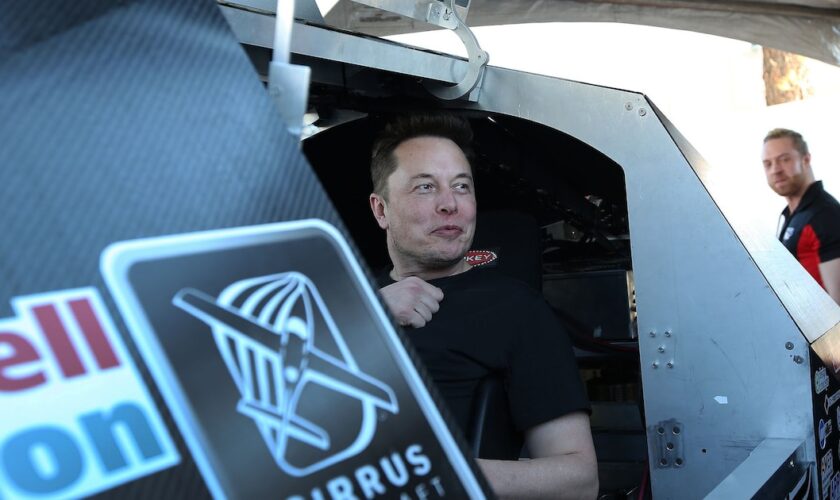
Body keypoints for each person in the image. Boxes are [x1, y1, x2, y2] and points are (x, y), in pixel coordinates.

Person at [368, 113, 598, 499]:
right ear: (381, 210)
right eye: (425, 187)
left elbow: (578, 480)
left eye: (462, 186)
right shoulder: (344, 299)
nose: (450, 204)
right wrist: (367, 315)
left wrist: (435, 471)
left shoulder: (516, 310)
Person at [762, 128, 840, 305]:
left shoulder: (823, 215)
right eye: (768, 164)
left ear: (806, 159)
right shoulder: (795, 214)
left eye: (784, 159)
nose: (775, 170)